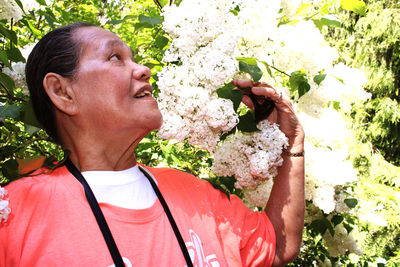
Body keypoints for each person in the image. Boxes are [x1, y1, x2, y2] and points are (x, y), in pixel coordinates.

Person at [0, 22, 305, 267]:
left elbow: (277, 246)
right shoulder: (12, 216)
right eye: (115, 57)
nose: (143, 69)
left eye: (134, 57)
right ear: (62, 92)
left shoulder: (195, 193)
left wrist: (292, 144)